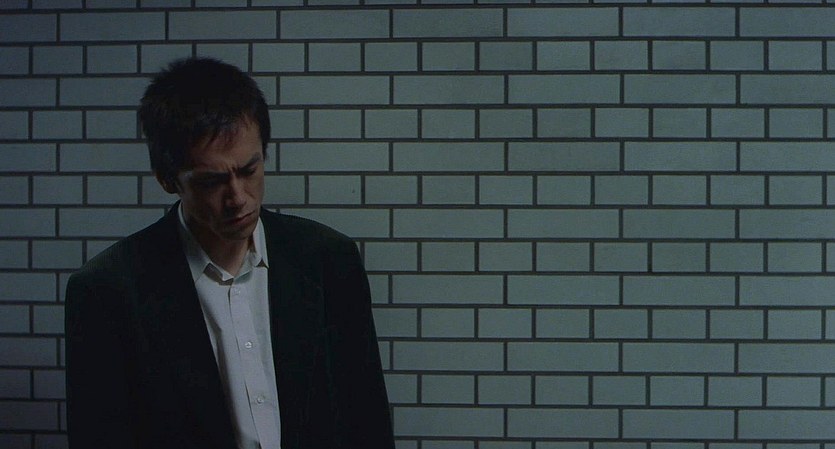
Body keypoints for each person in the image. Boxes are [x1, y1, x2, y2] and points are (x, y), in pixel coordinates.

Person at [64, 57, 395, 449]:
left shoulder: (329, 260)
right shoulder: (108, 291)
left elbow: (367, 419)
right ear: (168, 180)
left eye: (249, 170)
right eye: (212, 182)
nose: (238, 198)